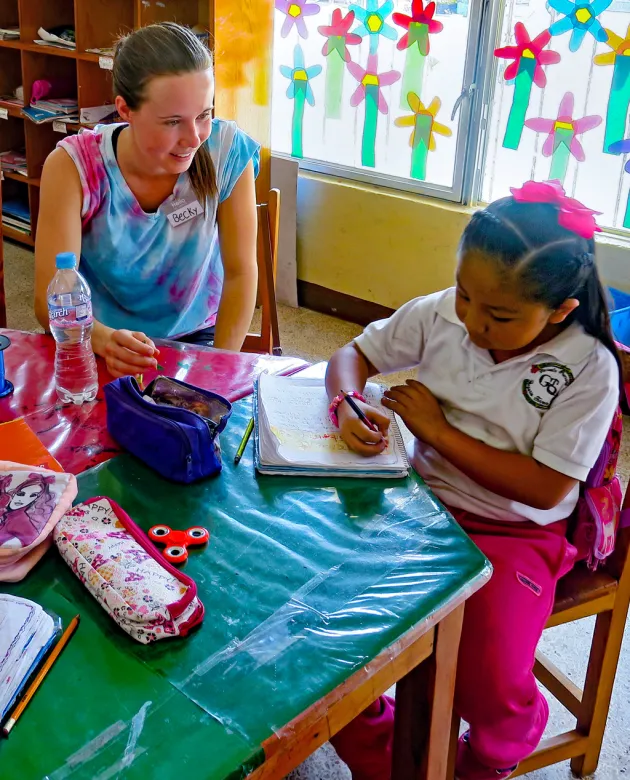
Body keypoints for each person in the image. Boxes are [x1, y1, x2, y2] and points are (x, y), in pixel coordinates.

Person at [325, 181, 620, 780]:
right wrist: (347, 403)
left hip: (515, 533)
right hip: (417, 504)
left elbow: (544, 490)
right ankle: (388, 753)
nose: (472, 321)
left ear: (560, 309)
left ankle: (498, 745)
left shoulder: (588, 368)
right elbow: (353, 354)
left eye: (499, 314)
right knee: (324, 627)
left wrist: (436, 430)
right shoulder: (442, 314)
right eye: (465, 295)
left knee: (486, 675)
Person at [34, 22, 260, 378]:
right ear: (124, 110)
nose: (194, 137)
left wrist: (220, 367)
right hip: (100, 342)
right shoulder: (73, 167)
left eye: (204, 114)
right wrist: (103, 339)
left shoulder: (227, 151)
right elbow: (50, 301)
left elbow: (241, 273)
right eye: (172, 121)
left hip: (198, 339)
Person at [0, 473, 56, 548]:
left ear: (35, 499)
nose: (23, 500)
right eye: (21, 493)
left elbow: (28, 542)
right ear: (15, 493)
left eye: (32, 496)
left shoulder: (22, 522)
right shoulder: (5, 508)